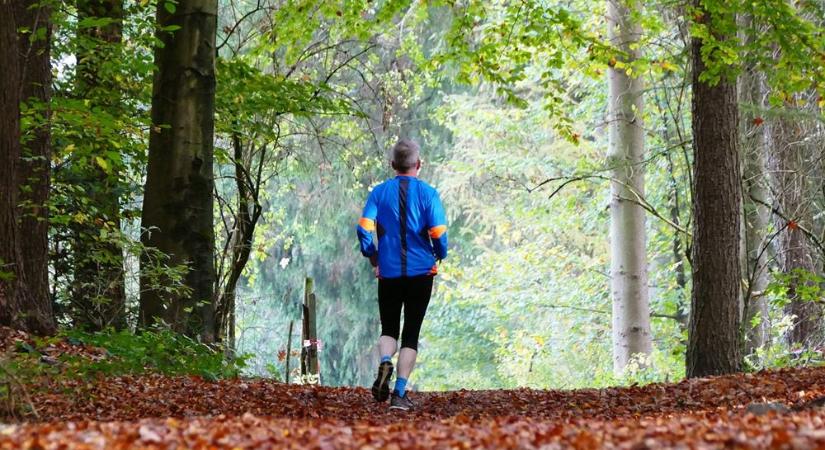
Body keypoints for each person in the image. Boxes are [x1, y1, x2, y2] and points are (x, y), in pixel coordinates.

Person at [355, 138, 448, 411]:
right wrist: (439, 253)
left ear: (392, 165)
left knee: (389, 328)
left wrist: (372, 254)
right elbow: (439, 233)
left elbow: (363, 228)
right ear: (418, 165)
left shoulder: (379, 193)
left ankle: (386, 361)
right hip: (422, 272)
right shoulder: (429, 194)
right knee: (411, 334)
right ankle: (399, 394)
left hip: (390, 272)